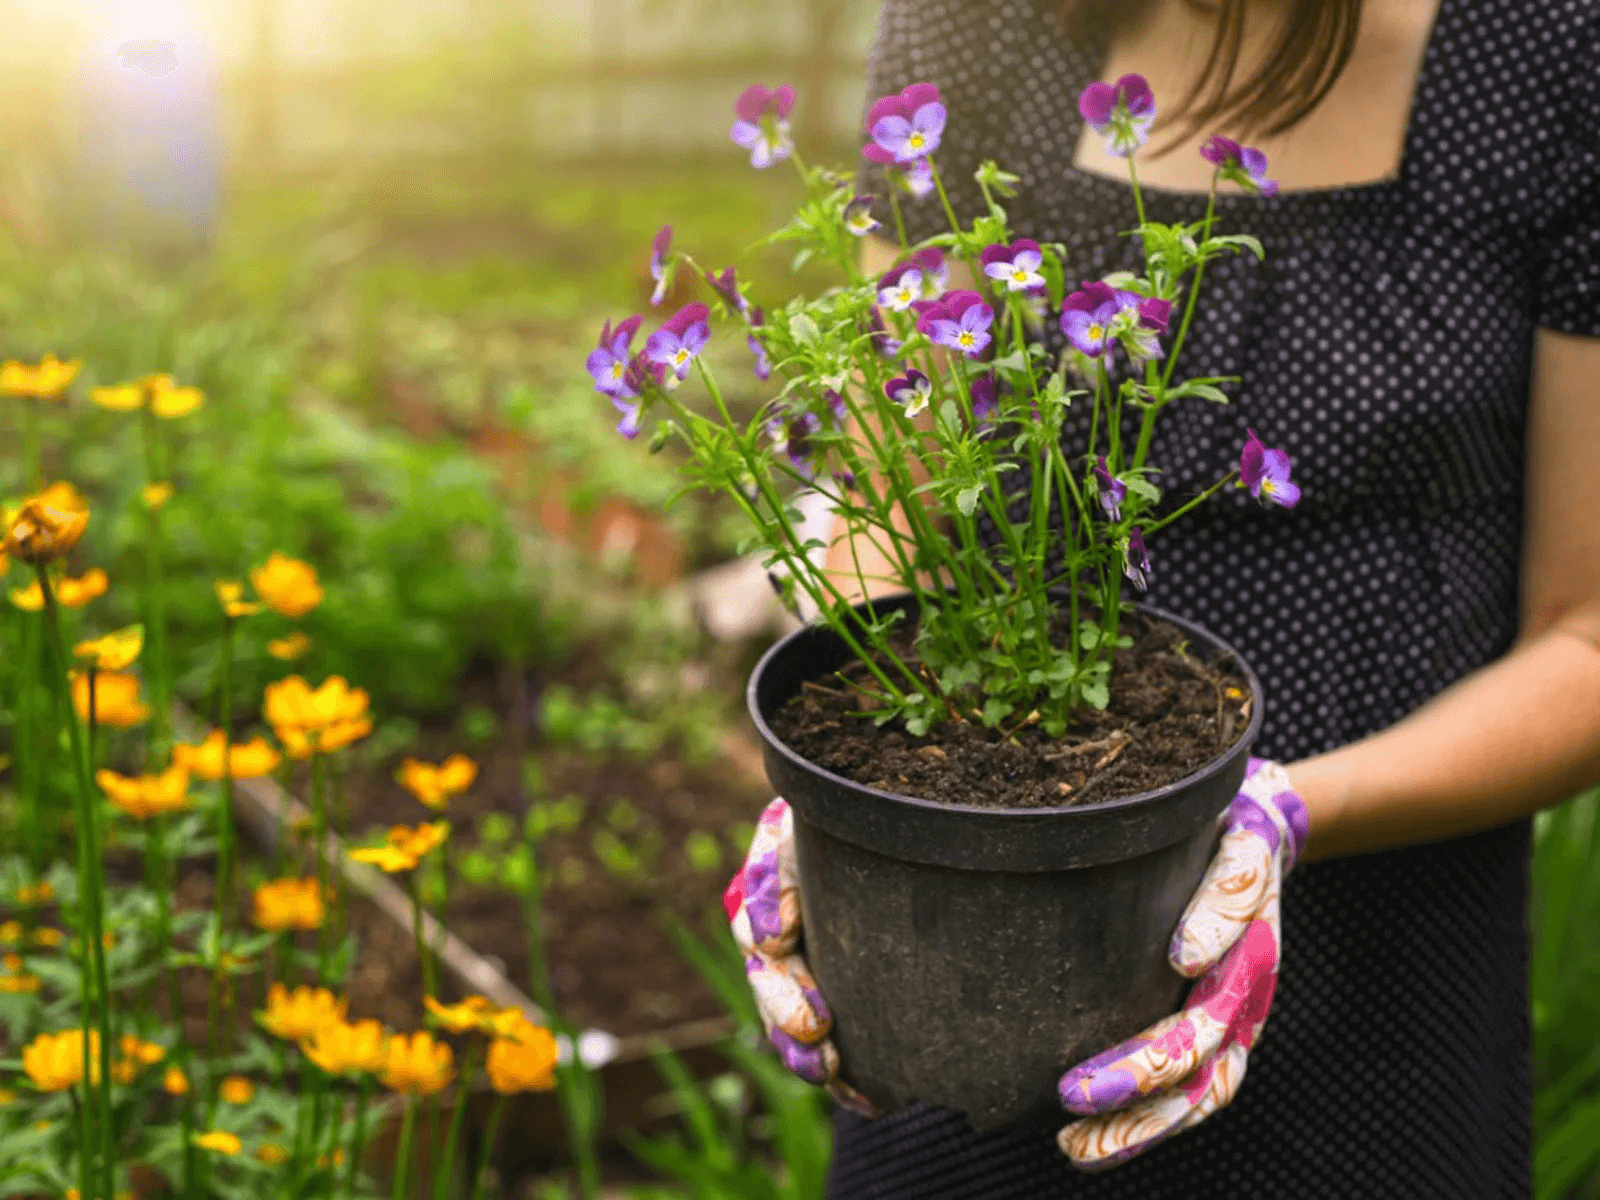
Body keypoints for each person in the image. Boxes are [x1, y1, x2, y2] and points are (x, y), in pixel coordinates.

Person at [724, 0, 1600, 1195]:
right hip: (975, 958)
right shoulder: (979, 23)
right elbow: (894, 507)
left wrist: (1282, 814)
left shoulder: (1551, 47)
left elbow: (1587, 636)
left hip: (1383, 993)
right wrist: (832, 806)